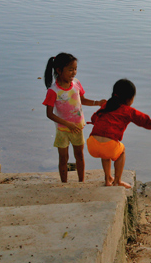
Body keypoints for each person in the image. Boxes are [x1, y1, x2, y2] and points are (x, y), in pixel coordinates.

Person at [87, 79, 151, 188]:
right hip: (108, 145)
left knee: (106, 151)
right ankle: (117, 181)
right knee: (121, 151)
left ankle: (107, 178)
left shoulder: (106, 105)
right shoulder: (128, 111)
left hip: (92, 144)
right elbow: (146, 122)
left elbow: (94, 118)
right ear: (129, 99)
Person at [43, 53, 106, 183]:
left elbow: (82, 100)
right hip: (62, 130)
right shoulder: (53, 91)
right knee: (63, 158)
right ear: (59, 71)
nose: (74, 73)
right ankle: (64, 183)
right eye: (70, 69)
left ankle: (81, 182)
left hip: (77, 127)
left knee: (80, 156)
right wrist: (67, 124)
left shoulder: (76, 84)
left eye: (75, 69)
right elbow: (49, 114)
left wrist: (97, 102)